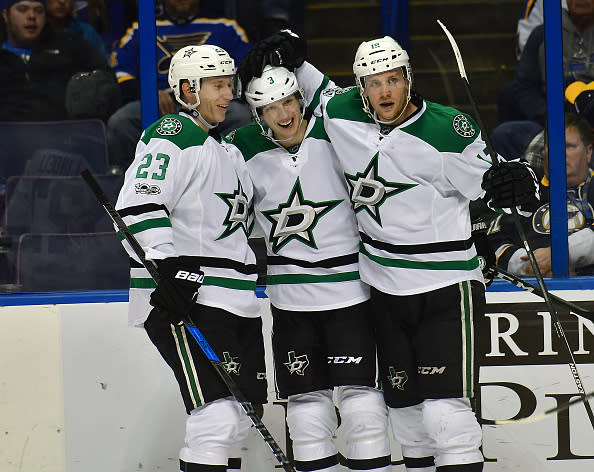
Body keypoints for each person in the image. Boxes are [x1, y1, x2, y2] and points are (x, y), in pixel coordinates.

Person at [237, 32, 540, 472]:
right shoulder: (341, 113)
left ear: (409, 79)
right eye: (374, 82)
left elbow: (489, 182)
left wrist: (511, 182)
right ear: (361, 87)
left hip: (445, 285)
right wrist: (291, 52)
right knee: (407, 419)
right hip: (382, 289)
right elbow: (302, 87)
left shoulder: (447, 128)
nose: (385, 91)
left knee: (446, 416)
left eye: (393, 80)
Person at [227, 64, 392, 472]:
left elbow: (360, 98)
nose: (283, 115)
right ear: (256, 114)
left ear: (302, 99)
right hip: (290, 299)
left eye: (288, 102)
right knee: (305, 409)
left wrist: (301, 62)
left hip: (350, 293)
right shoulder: (239, 147)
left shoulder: (337, 127)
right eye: (269, 108)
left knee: (362, 406)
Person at [115, 44, 267, 472]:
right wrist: (167, 270)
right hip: (190, 298)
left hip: (236, 299)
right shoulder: (172, 134)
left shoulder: (228, 153)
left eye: (229, 85)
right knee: (215, 418)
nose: (227, 95)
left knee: (237, 422)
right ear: (186, 89)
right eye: (216, 86)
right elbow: (137, 208)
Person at [107, 0, 252, 170]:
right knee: (121, 121)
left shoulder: (224, 27)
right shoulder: (140, 28)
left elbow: (245, 70)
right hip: (162, 103)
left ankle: (234, 175)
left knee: (240, 116)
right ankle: (129, 178)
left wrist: (212, 93)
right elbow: (121, 74)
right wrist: (149, 94)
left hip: (210, 99)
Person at [488, 112, 594, 277]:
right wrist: (529, 266)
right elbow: (491, 243)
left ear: (588, 152)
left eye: (569, 146)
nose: (559, 152)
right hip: (533, 293)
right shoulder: (523, 192)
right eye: (552, 145)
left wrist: (560, 254)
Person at [493, 0, 594, 159]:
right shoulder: (543, 34)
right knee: (505, 134)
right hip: (554, 122)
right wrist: (552, 118)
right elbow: (524, 87)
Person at [0, 0, 109, 121]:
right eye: (22, 9)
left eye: (38, 10)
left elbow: (106, 80)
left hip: (65, 134)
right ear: (6, 15)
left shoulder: (72, 46)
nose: (32, 16)